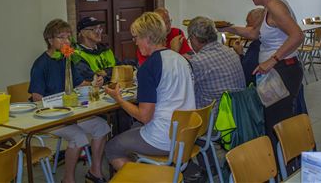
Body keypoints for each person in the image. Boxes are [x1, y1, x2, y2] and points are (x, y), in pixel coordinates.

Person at [220, 0, 304, 154]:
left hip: (283, 70)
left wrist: (272, 60)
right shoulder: (268, 8)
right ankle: (279, 166)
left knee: (276, 124)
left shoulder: (275, 6)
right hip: (277, 71)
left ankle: (281, 167)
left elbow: (298, 36)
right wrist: (228, 28)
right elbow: (253, 33)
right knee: (271, 120)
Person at [104, 12, 196, 171]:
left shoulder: (149, 67)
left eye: (136, 38)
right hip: (185, 134)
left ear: (147, 38)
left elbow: (144, 116)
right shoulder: (181, 59)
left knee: (112, 147)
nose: (135, 43)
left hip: (163, 138)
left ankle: (142, 176)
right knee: (133, 131)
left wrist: (119, 99)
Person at [28, 19, 110, 183]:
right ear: (50, 40)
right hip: (51, 117)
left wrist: (95, 82)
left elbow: (79, 83)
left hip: (71, 113)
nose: (66, 41)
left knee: (102, 127)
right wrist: (58, 108)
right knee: (78, 137)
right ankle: (68, 179)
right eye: (61, 37)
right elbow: (37, 98)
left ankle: (95, 172)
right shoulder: (40, 64)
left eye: (68, 37)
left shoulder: (68, 59)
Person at [187, 16, 246, 111]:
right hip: (238, 115)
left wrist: (174, 54)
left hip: (214, 120)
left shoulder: (197, 62)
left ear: (194, 38)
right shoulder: (230, 51)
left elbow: (180, 87)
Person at [75, 16, 136, 84]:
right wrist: (112, 72)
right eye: (94, 29)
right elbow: (92, 79)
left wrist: (106, 73)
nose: (99, 32)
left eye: (100, 28)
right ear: (83, 33)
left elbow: (120, 70)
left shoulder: (105, 50)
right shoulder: (77, 55)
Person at [232, 8, 264, 85]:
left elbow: (245, 72)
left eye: (248, 24)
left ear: (257, 26)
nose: (246, 27)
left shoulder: (257, 45)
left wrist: (240, 54)